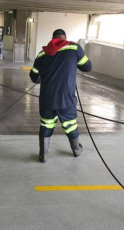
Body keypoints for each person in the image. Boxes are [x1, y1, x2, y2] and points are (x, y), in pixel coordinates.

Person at [29, 29, 92, 163]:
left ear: (52, 39)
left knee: (46, 124)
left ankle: (43, 155)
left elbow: (34, 77)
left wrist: (41, 79)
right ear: (65, 38)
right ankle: (76, 150)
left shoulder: (42, 54)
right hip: (66, 98)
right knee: (70, 124)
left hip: (47, 99)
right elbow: (87, 67)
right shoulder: (75, 48)